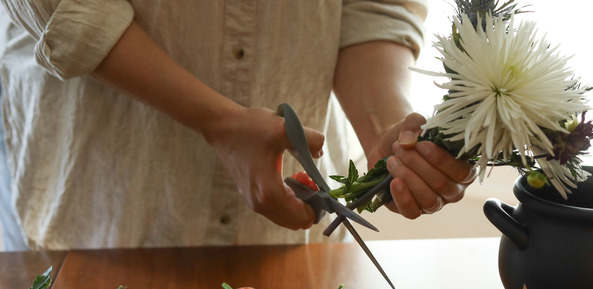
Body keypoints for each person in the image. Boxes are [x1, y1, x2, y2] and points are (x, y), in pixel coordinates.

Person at [0, 1, 475, 251]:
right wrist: (221, 124)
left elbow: (372, 6)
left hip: (286, 250)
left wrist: (382, 127)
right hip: (105, 213)